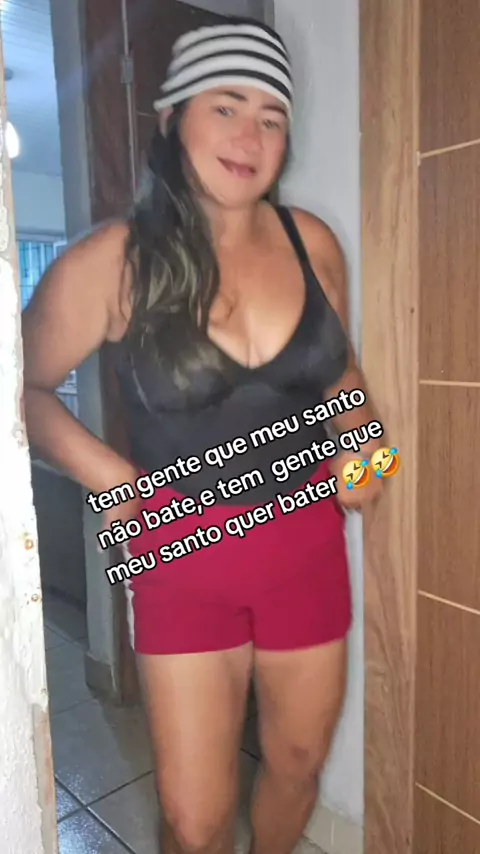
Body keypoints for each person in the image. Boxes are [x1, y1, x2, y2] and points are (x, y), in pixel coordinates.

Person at [22, 19, 384, 854]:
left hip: (305, 547)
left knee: (298, 765)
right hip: (182, 557)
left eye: (270, 117)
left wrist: (372, 452)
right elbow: (21, 387)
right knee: (194, 819)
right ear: (172, 116)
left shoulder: (314, 245)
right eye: (226, 106)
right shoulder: (113, 262)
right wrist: (114, 478)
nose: (249, 137)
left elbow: (344, 384)